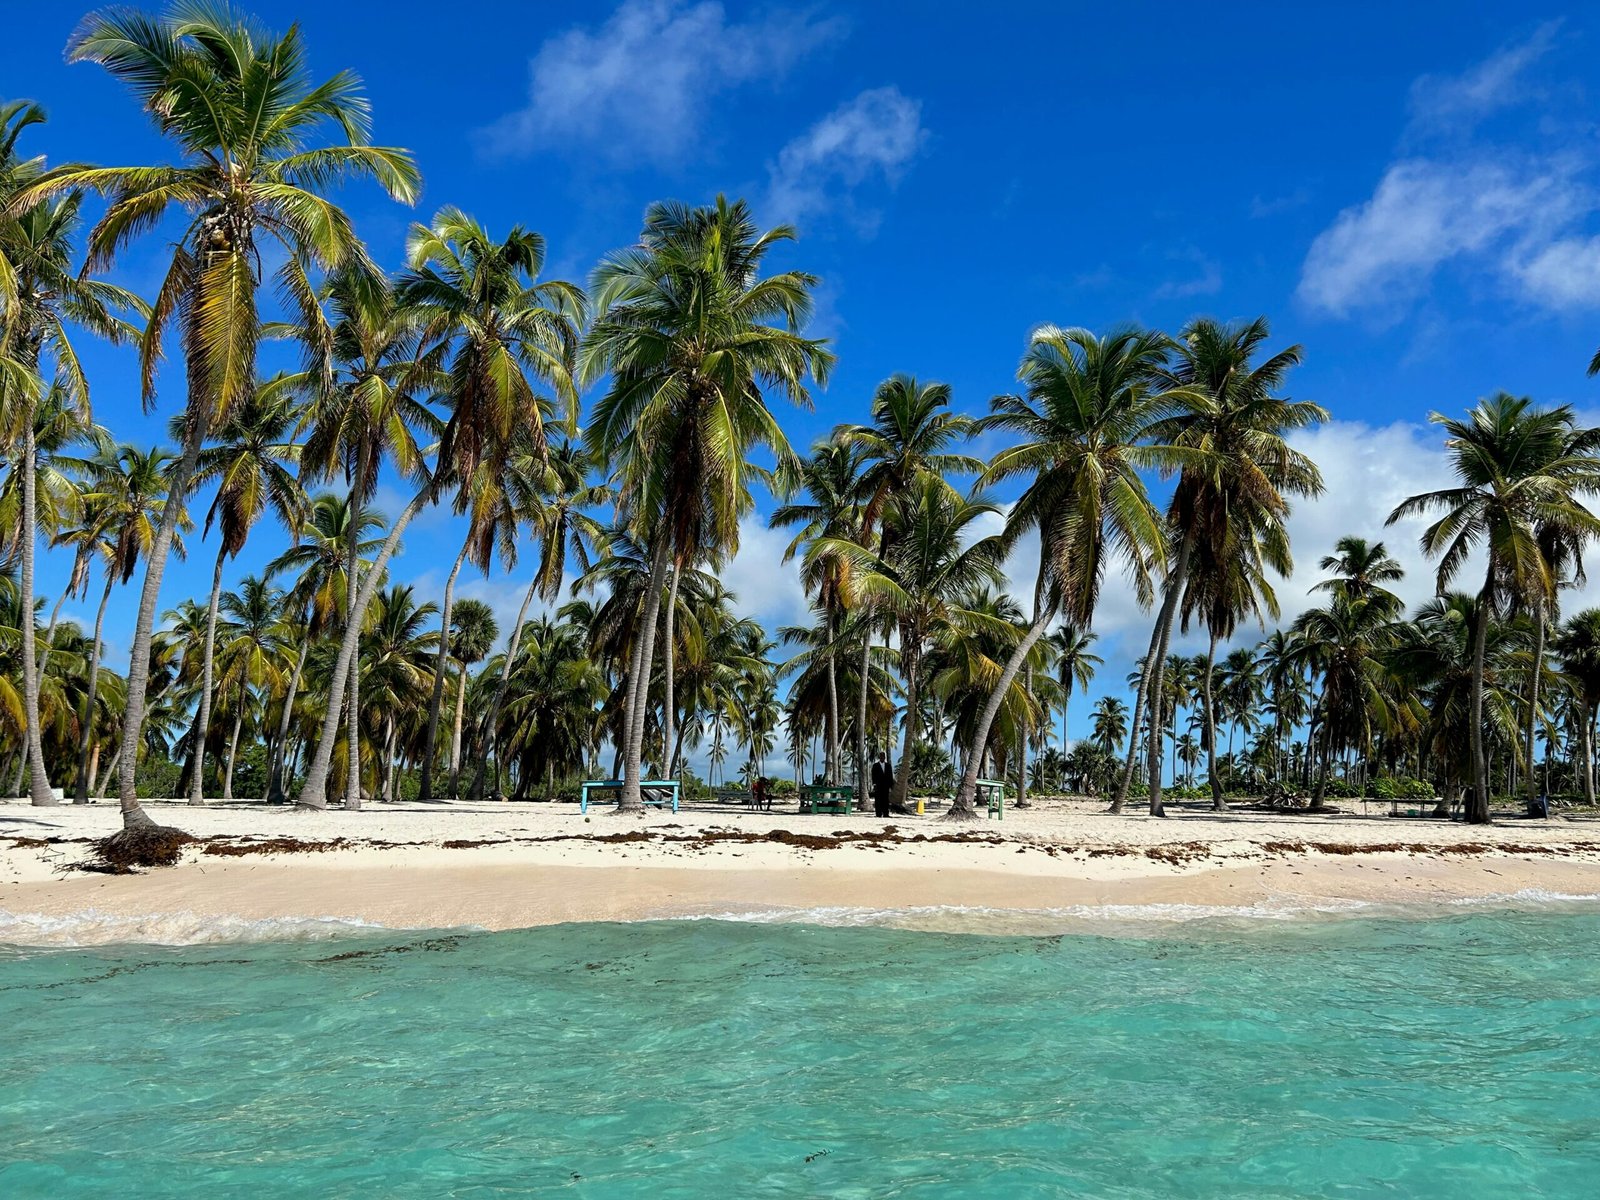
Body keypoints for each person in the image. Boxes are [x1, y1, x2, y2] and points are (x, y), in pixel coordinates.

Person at [871, 753, 894, 818]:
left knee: (886, 800)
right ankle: (878, 814)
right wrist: (874, 784)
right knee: (878, 800)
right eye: (881, 756)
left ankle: (886, 814)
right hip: (878, 785)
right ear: (879, 757)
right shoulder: (875, 765)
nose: (882, 757)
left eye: (883, 756)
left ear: (885, 757)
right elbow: (873, 775)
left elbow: (890, 776)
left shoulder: (888, 765)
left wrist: (891, 785)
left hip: (886, 785)